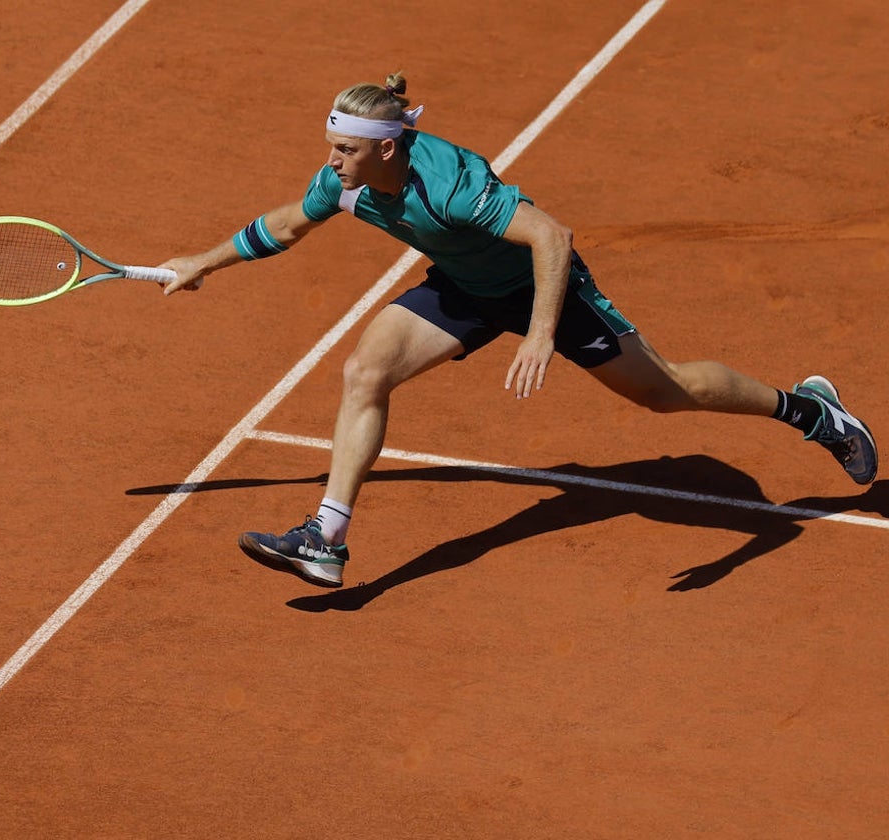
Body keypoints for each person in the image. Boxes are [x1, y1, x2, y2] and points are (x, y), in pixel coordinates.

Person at [158, 73, 878, 588]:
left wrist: (539, 334)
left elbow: (553, 237)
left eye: (344, 150)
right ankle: (327, 538)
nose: (331, 161)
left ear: (385, 149)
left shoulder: (450, 185)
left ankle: (812, 411)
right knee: (364, 372)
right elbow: (286, 224)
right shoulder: (346, 183)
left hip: (546, 291)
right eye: (330, 147)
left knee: (669, 392)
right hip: (465, 289)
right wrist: (202, 263)